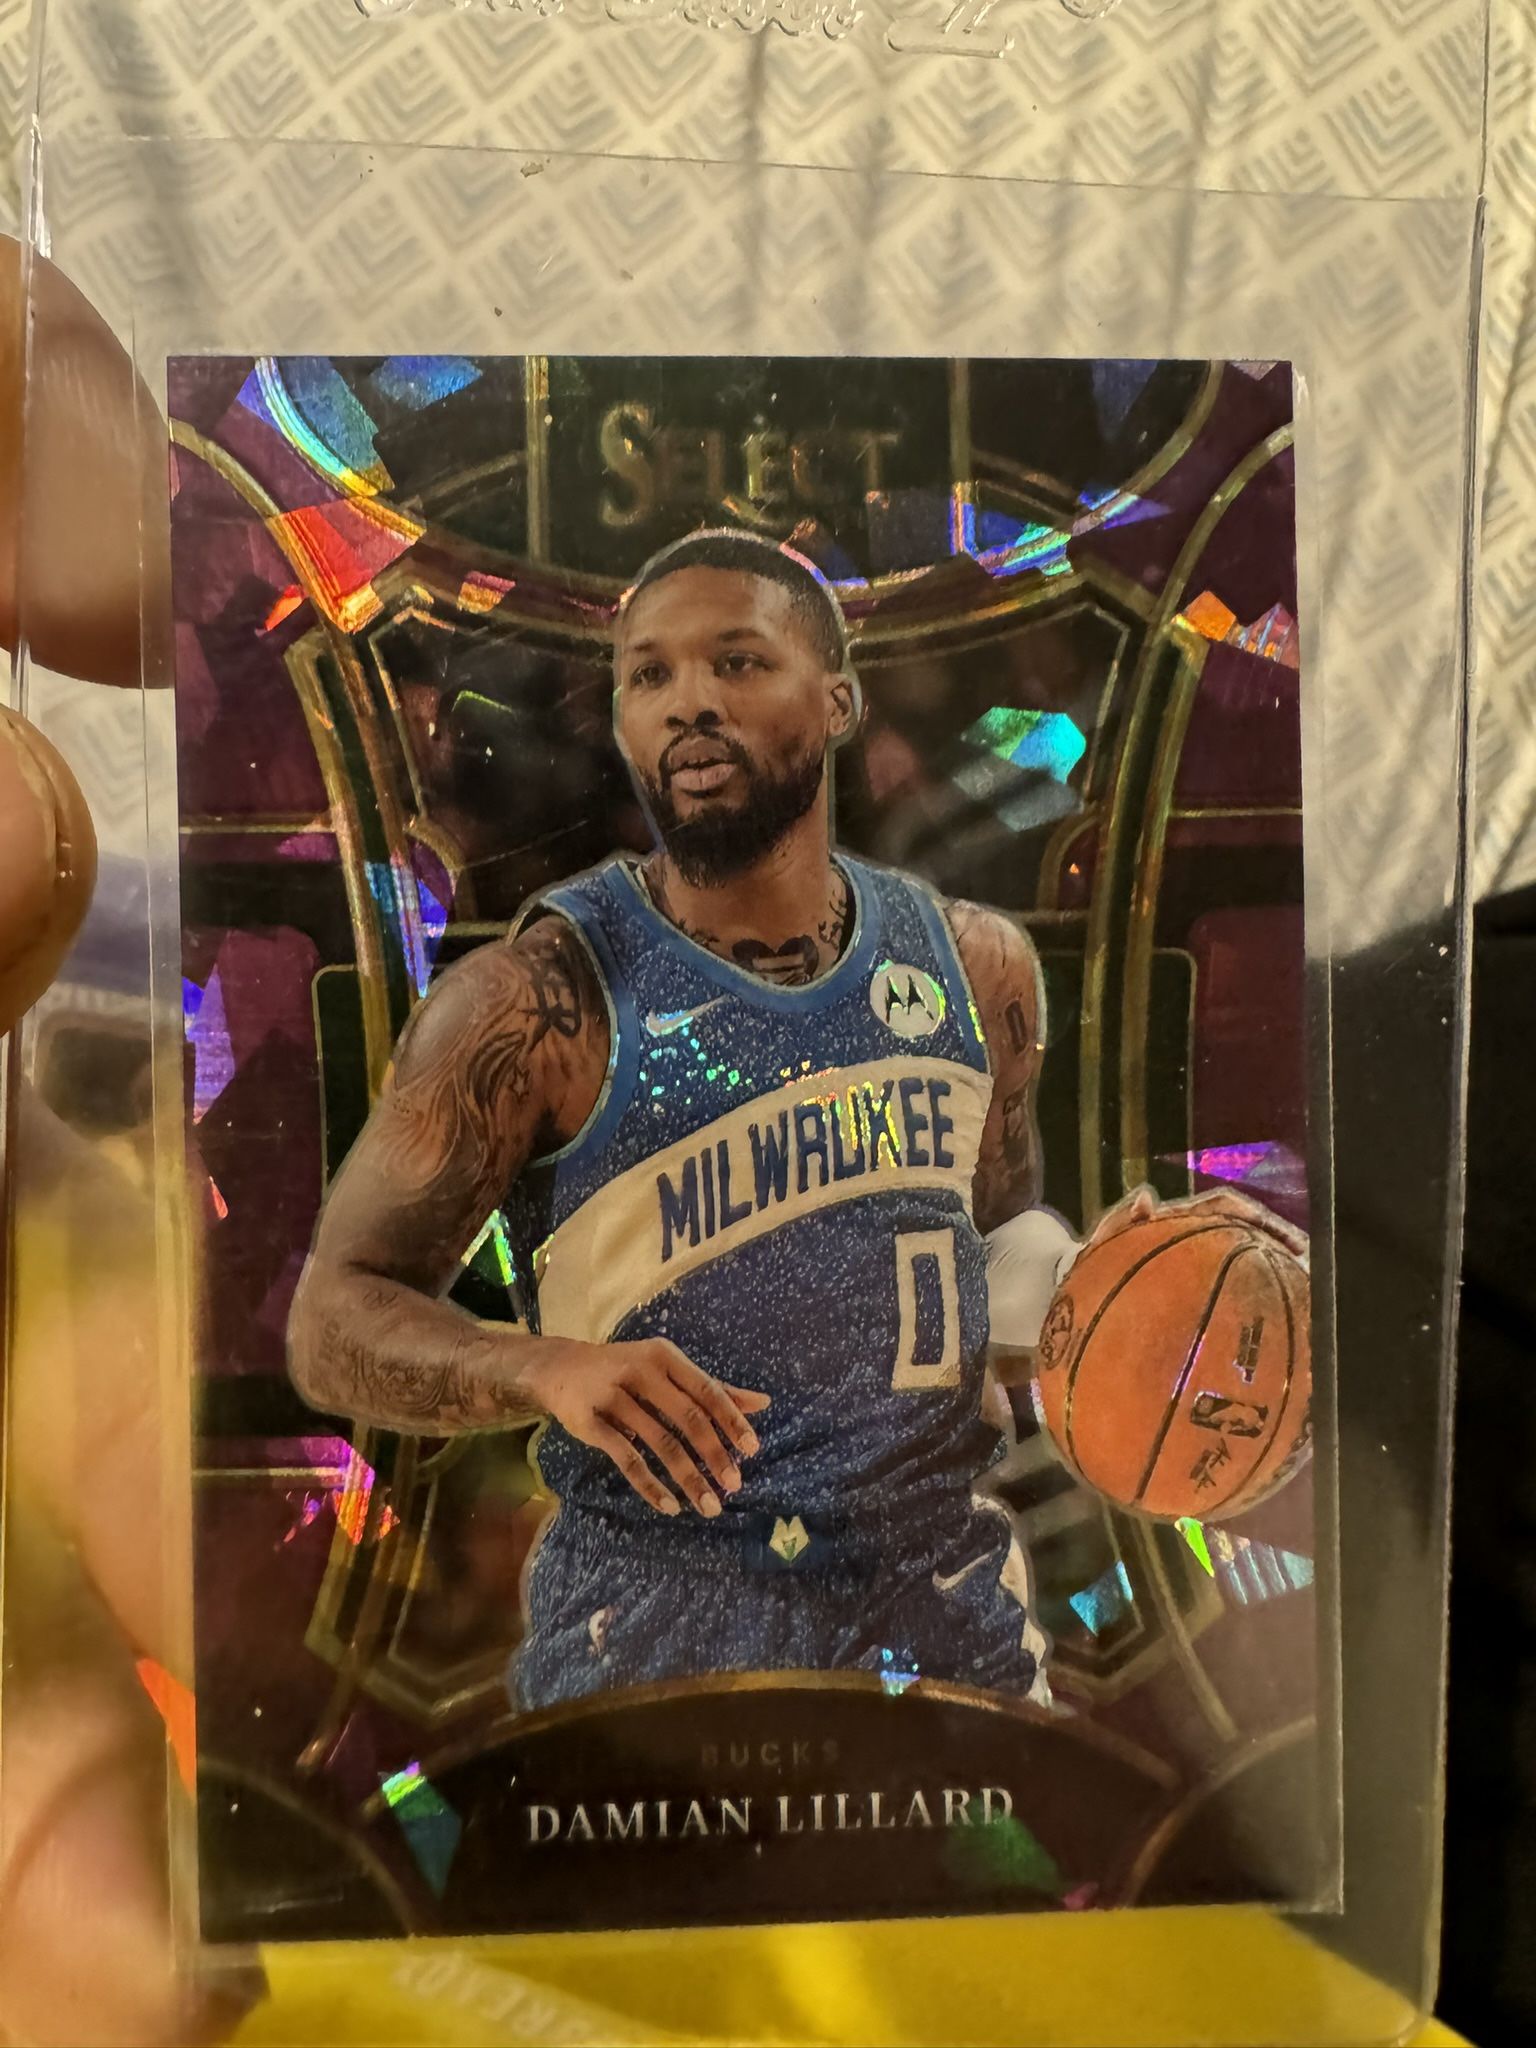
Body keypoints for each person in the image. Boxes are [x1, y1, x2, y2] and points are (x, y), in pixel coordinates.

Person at [289, 527, 1098, 1710]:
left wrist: (1102, 1293)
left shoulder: (977, 968)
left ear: (837, 700)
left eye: (737, 661)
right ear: (621, 721)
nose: (689, 702)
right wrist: (541, 1367)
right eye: (649, 675)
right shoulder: (534, 1003)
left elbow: (992, 1256)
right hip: (653, 1663)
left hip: (943, 1637)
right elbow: (330, 1317)